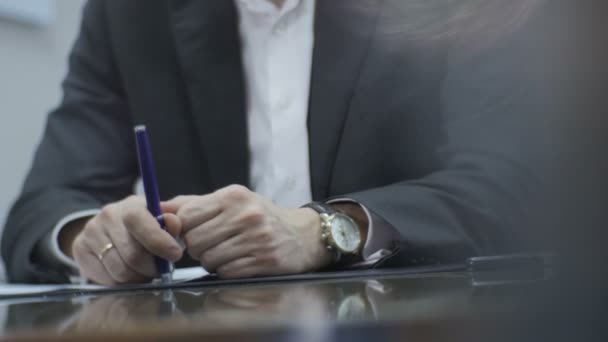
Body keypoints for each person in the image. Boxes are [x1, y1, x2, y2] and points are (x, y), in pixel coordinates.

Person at [2, 0, 543, 284]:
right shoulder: (130, 11)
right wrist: (93, 239)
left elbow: (508, 189)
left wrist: (326, 230)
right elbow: (42, 210)